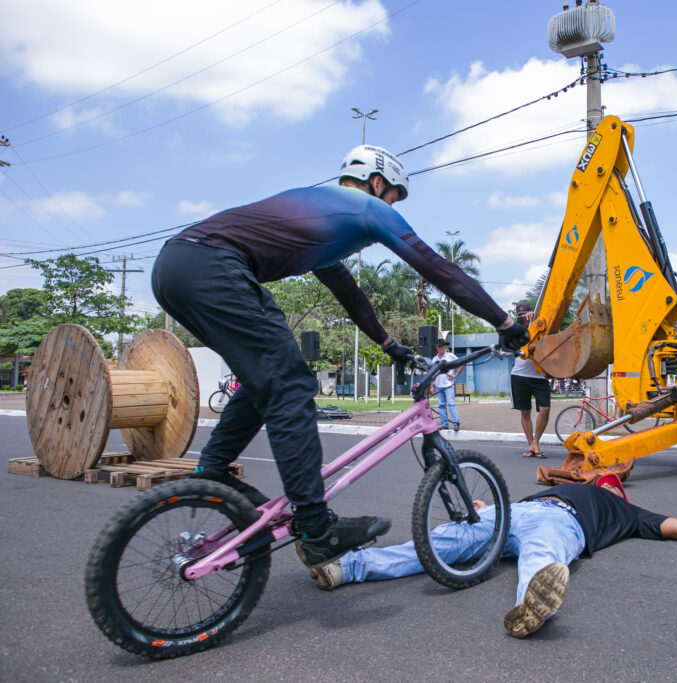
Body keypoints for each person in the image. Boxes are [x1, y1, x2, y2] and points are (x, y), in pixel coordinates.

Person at [151, 144, 530, 569]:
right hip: (212, 266)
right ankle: (316, 527)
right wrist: (504, 323)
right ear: (377, 183)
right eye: (394, 197)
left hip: (172, 268)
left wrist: (389, 345)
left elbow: (351, 296)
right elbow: (440, 270)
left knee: (265, 380)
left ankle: (213, 472)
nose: (392, 207)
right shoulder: (367, 209)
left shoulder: (322, 218)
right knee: (293, 385)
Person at [306, 474, 677, 638]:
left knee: (544, 555)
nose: (603, 479)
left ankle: (532, 605)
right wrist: (485, 510)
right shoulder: (562, 485)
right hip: (517, 513)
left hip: (557, 522)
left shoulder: (625, 511)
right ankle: (344, 567)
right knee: (438, 543)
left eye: (608, 480)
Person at [509, 300, 550, 458]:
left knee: (545, 409)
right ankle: (532, 445)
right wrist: (522, 323)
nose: (523, 317)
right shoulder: (517, 330)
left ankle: (535, 442)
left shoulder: (540, 327)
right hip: (519, 375)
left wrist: (536, 318)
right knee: (525, 412)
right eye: (520, 315)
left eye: (525, 314)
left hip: (539, 376)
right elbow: (513, 344)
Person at [431, 339, 462, 431]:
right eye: (438, 346)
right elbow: (432, 373)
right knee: (441, 405)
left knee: (451, 403)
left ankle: (456, 423)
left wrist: (455, 374)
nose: (440, 348)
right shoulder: (435, 359)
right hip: (438, 385)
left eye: (442, 346)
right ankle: (444, 424)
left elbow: (462, 363)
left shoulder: (450, 356)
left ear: (445, 347)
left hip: (448, 385)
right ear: (436, 347)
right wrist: (431, 386)